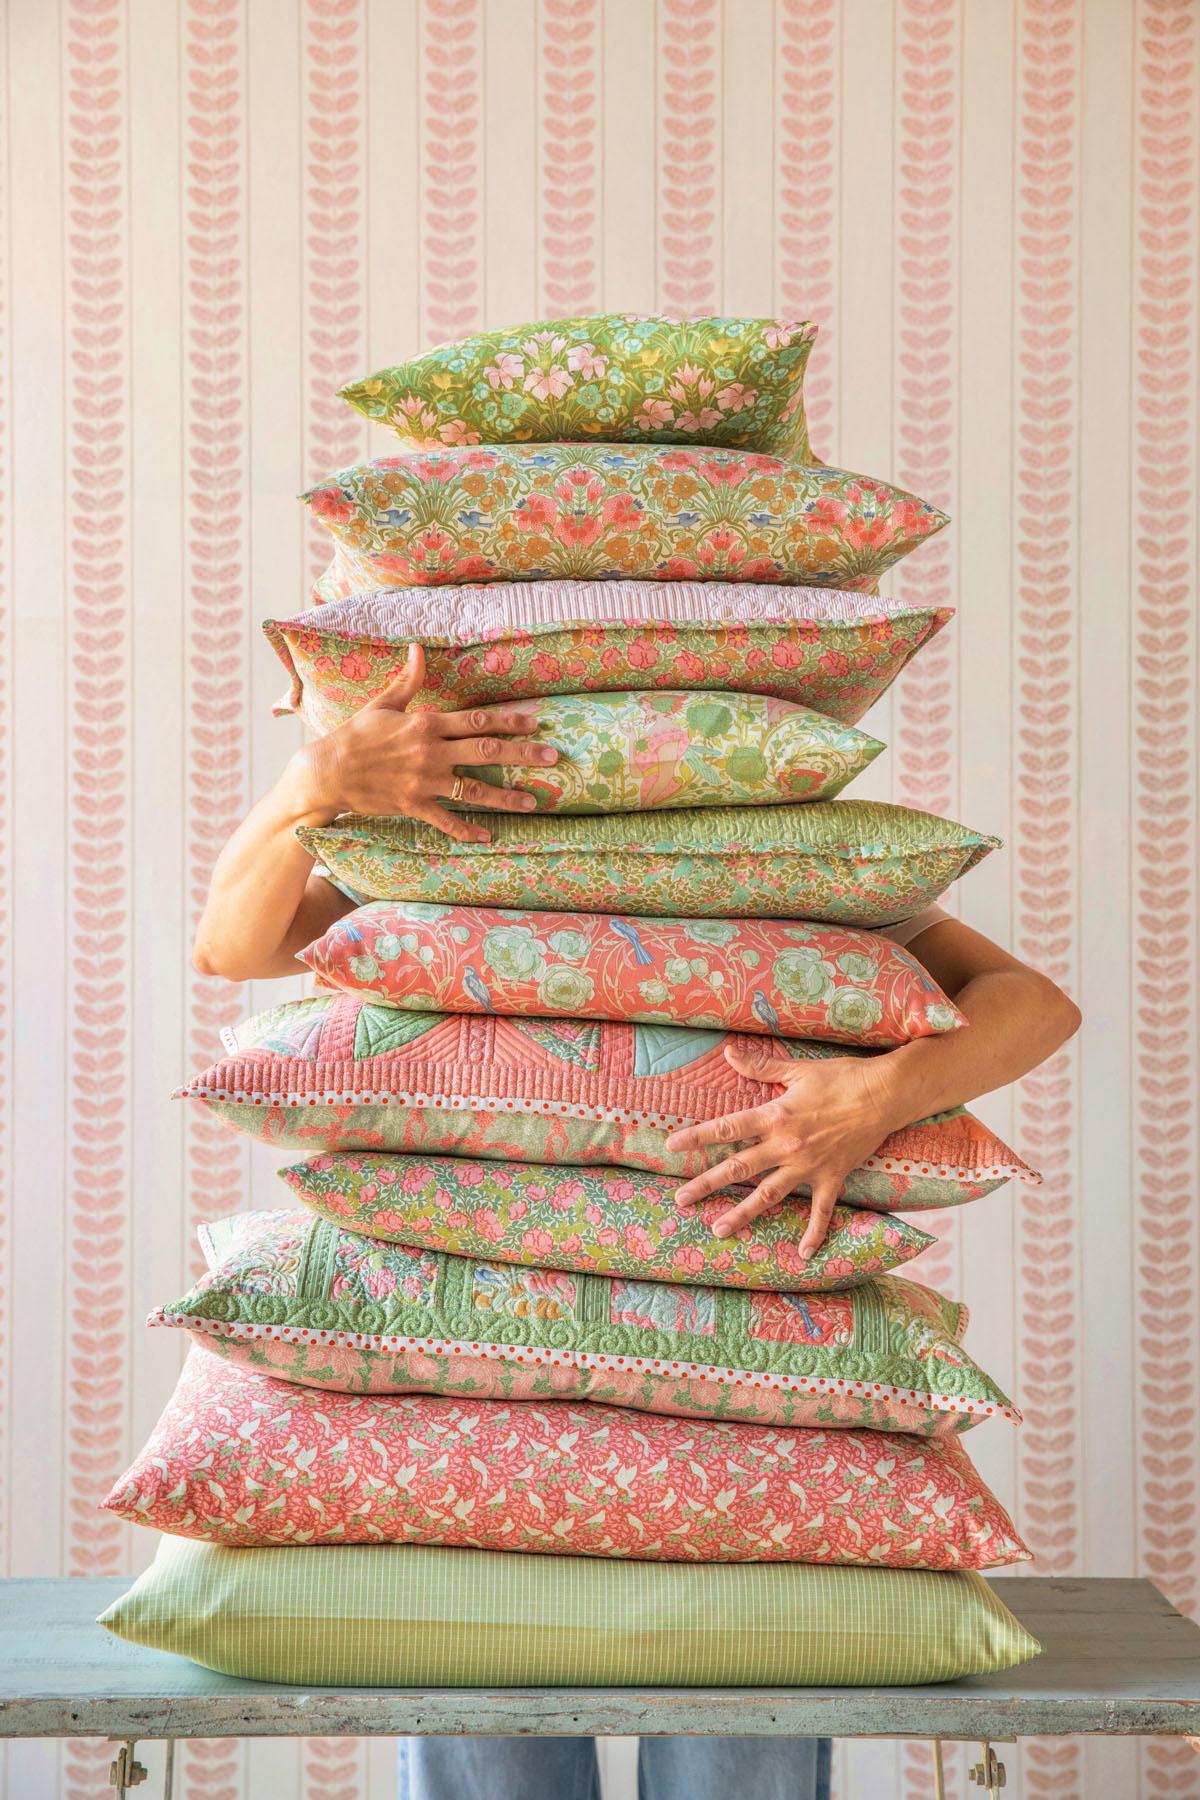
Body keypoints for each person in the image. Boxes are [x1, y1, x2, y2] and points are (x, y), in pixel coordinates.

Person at [195, 647, 1081, 1800]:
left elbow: (1031, 1006)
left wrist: (877, 1097)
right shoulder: (431, 854)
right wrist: (309, 784)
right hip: (462, 1356)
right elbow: (236, 945)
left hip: (740, 1300)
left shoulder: (778, 872)